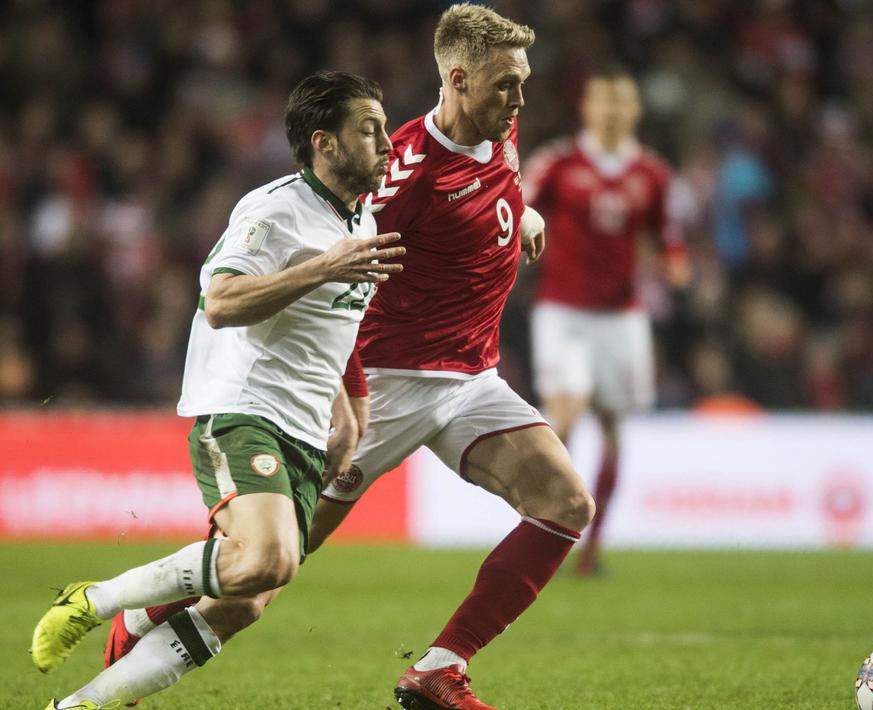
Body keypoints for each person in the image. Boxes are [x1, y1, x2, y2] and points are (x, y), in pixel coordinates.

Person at [31, 70, 403, 709]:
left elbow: (332, 325)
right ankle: (95, 600)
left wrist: (349, 412)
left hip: (309, 429)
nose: (387, 142)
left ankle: (83, 705)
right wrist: (323, 265)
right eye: (369, 130)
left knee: (244, 604)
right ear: (326, 143)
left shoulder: (362, 221)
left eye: (385, 127)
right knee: (268, 559)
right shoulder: (274, 208)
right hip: (244, 408)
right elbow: (222, 300)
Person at [302, 6, 592, 710]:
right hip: (389, 386)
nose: (519, 101)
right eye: (504, 87)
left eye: (522, 84)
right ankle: (142, 615)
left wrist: (522, 212)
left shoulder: (500, 126)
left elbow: (495, 180)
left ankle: (439, 667)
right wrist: (342, 394)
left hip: (469, 380)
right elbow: (333, 280)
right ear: (457, 80)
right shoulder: (401, 178)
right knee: (271, 559)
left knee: (565, 502)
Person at [521, 64, 688, 576]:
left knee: (614, 426)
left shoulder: (652, 174)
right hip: (563, 309)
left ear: (634, 110)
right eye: (603, 102)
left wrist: (676, 262)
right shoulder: (557, 163)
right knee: (565, 415)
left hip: (621, 317)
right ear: (587, 108)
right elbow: (515, 207)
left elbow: (666, 234)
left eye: (621, 103)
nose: (612, 112)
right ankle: (549, 527)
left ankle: (591, 550)